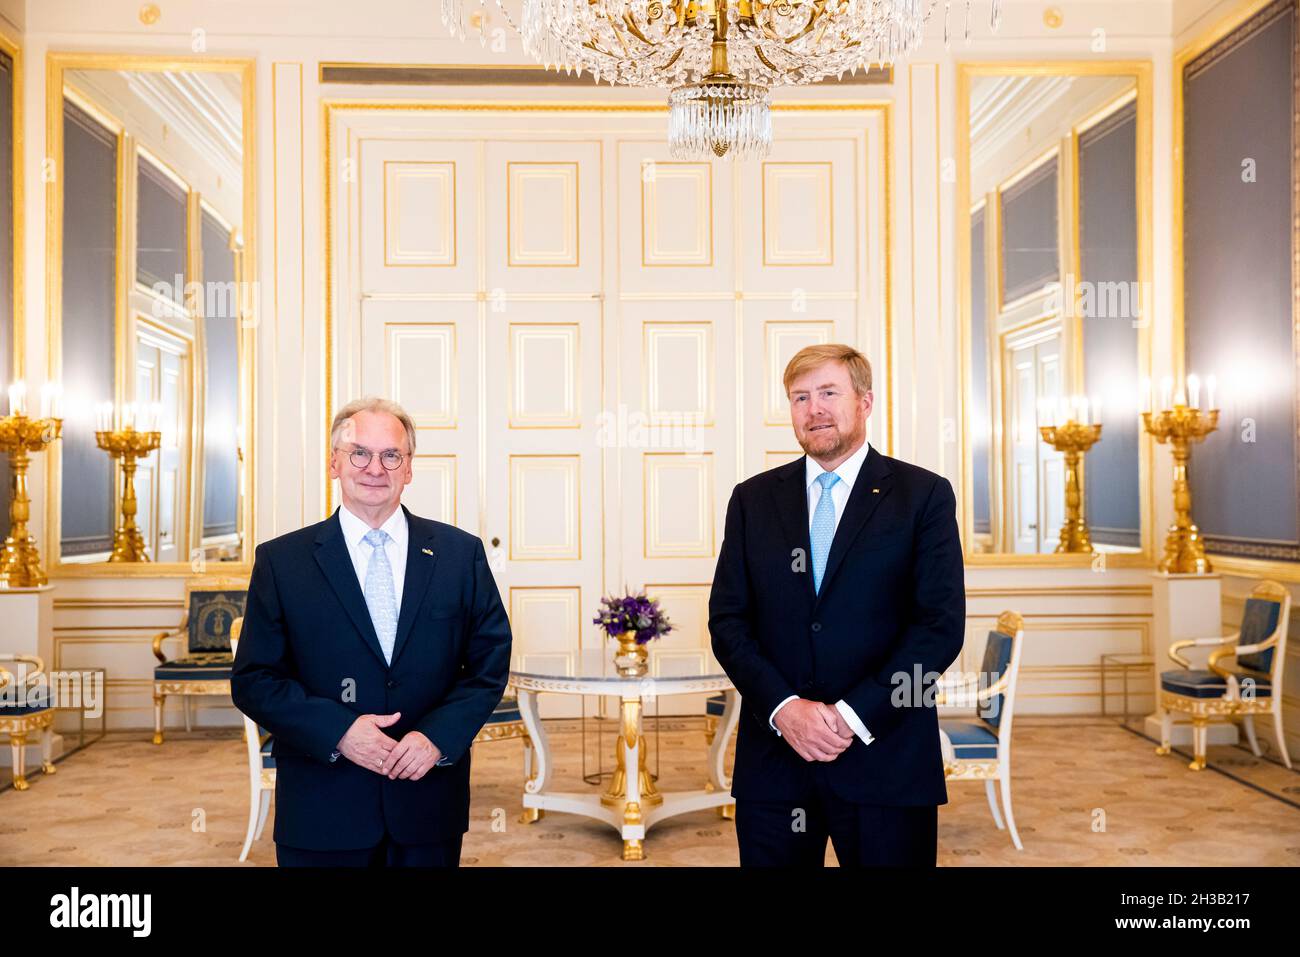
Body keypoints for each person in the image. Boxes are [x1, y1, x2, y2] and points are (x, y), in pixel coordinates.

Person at [709, 344, 964, 866]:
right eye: (800, 397)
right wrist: (785, 710)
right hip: (777, 764)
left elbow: (938, 628)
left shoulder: (923, 496)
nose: (814, 409)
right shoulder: (752, 499)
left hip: (886, 759)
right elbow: (728, 621)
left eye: (829, 393)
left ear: (865, 402)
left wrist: (850, 717)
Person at [231, 397, 511, 867]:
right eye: (359, 453)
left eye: (391, 455)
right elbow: (254, 680)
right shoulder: (282, 562)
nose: (374, 468)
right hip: (322, 807)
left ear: (409, 469)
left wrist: (437, 738)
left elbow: (488, 666)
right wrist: (339, 732)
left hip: (427, 804)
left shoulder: (460, 555)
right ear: (334, 463)